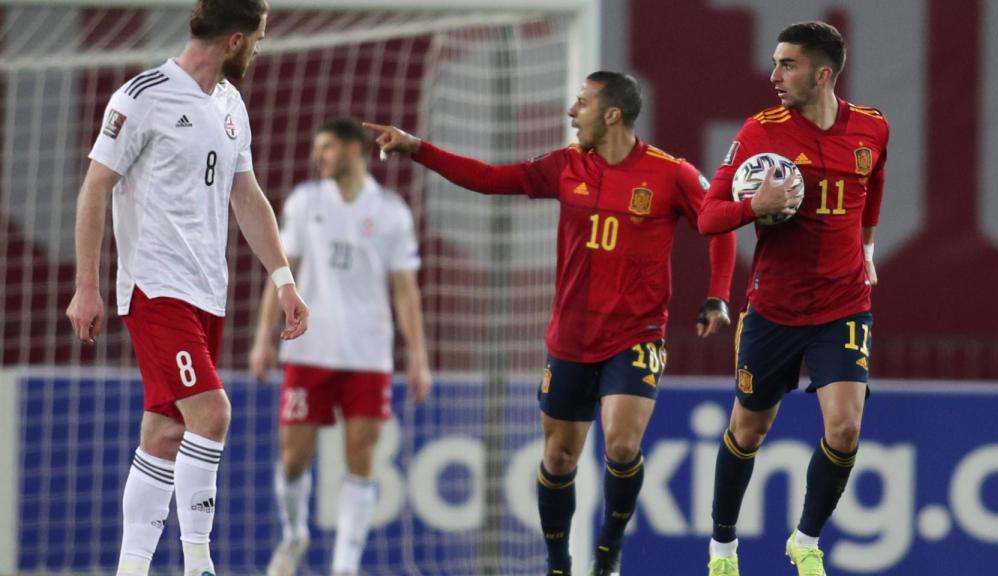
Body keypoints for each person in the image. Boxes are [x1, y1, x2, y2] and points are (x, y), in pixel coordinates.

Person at [366, 70, 737, 576]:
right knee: (560, 457)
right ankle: (559, 562)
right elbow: (491, 179)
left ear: (611, 114)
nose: (571, 112)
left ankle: (608, 547)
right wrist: (419, 148)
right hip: (570, 338)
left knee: (623, 445)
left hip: (636, 335)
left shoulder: (670, 173)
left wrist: (717, 296)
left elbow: (720, 224)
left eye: (581, 103)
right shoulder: (565, 166)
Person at [65, 2, 310, 575]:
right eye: (258, 37)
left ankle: (132, 568)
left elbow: (246, 198)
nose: (259, 47)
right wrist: (87, 285)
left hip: (208, 292)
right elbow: (95, 187)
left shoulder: (230, 105)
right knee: (212, 414)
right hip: (156, 289)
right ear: (233, 39)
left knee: (165, 429)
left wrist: (285, 281)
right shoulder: (141, 95)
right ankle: (199, 562)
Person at [697, 21, 889, 576]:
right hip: (775, 307)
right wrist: (755, 206)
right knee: (749, 429)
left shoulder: (873, 128)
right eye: (776, 62)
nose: (774, 74)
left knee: (845, 426)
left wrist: (868, 248)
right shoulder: (760, 132)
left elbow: (874, 185)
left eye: (788, 64)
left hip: (843, 302)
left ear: (822, 73)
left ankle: (805, 540)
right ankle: (723, 549)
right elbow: (710, 216)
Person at [248, 119, 432, 576]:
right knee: (293, 457)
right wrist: (261, 340)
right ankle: (294, 535)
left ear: (353, 150)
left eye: (326, 147)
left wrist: (418, 358)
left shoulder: (391, 211)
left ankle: (345, 566)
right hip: (308, 350)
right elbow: (282, 274)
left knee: (361, 455)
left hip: (368, 354)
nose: (319, 156)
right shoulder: (305, 201)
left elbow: (406, 291)